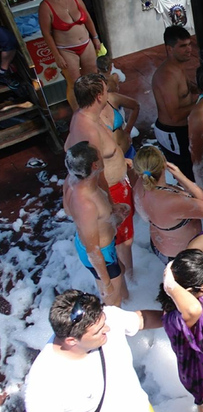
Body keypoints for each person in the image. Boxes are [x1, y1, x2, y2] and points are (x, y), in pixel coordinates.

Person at [24, 289, 162, 412]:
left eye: (104, 321)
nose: (107, 329)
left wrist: (178, 318)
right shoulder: (43, 385)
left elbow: (142, 320)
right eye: (97, 331)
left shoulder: (108, 318)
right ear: (71, 341)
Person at [65, 74, 134, 293]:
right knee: (120, 241)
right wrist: (111, 204)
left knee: (119, 242)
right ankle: (127, 283)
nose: (107, 92)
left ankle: (127, 279)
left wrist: (121, 161)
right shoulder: (88, 130)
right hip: (110, 191)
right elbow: (96, 172)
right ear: (98, 96)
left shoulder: (82, 115)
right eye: (105, 90)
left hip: (114, 185)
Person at [157, 246, 203, 412]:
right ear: (187, 291)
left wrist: (174, 266)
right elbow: (193, 309)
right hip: (201, 374)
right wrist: (170, 284)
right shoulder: (181, 317)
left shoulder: (199, 294)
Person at [63, 141, 126, 306]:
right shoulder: (86, 205)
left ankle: (126, 296)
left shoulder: (71, 180)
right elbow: (92, 250)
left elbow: (68, 211)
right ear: (95, 164)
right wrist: (106, 285)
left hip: (100, 245)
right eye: (100, 154)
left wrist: (109, 212)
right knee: (113, 301)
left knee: (122, 272)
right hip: (101, 254)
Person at [133, 145, 203, 262]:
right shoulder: (172, 201)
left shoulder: (139, 187)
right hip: (184, 257)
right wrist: (182, 178)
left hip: (161, 246)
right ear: (164, 165)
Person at [38, 0, 100, 110]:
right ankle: (79, 113)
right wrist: (57, 56)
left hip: (85, 42)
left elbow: (88, 17)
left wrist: (95, 37)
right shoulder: (45, 7)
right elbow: (46, 34)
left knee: (92, 77)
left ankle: (95, 107)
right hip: (66, 49)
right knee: (75, 83)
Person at [152, 25, 197, 179]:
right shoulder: (167, 76)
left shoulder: (179, 66)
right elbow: (174, 116)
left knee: (194, 167)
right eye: (183, 46)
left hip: (182, 130)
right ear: (169, 49)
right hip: (173, 132)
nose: (189, 49)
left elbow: (188, 89)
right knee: (185, 175)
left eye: (189, 44)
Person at [98, 55, 140, 159]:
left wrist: (128, 130)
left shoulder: (112, 98)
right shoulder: (89, 112)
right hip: (113, 160)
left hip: (127, 151)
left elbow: (136, 106)